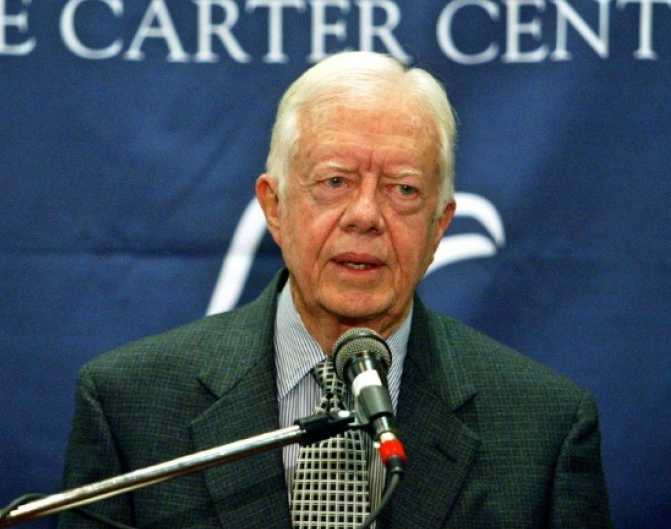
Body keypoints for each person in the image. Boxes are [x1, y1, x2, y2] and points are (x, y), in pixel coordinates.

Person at [57, 51, 613, 529]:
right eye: (335, 182)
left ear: (439, 227)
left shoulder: (545, 431)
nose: (366, 216)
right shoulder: (130, 406)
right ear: (274, 207)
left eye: (403, 189)